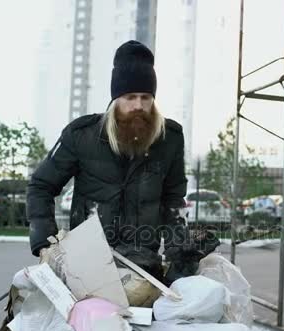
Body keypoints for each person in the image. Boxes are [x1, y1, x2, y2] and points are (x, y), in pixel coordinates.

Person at [26, 40, 213, 284]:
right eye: (130, 97)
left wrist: (180, 257)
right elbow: (41, 186)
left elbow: (173, 202)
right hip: (87, 264)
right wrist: (45, 244)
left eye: (146, 97)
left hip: (144, 265)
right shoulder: (81, 134)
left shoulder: (170, 138)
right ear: (116, 98)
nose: (139, 106)